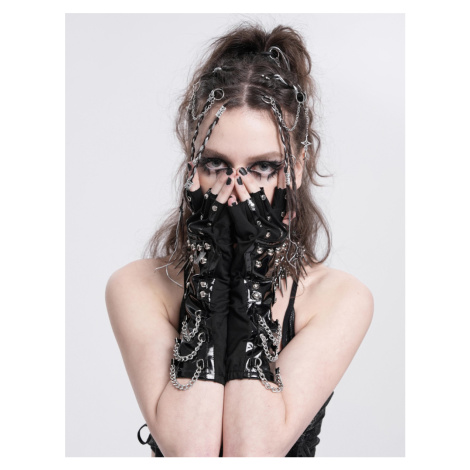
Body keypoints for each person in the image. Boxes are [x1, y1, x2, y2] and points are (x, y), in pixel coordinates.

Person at [105, 22, 374, 457]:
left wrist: (251, 273)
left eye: (263, 167)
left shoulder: (340, 299)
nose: (236, 190)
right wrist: (212, 276)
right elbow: (191, 452)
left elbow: (253, 453)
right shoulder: (137, 286)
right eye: (215, 164)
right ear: (192, 165)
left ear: (297, 168)